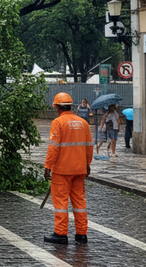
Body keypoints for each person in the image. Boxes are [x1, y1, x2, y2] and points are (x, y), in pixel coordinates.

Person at [43, 92, 93, 245]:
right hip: (79, 170)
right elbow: (89, 147)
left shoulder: (58, 123)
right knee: (79, 202)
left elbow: (53, 148)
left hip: (62, 171)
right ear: (71, 106)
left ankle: (60, 233)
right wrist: (87, 164)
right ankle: (81, 234)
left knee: (61, 203)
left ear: (57, 107)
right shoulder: (83, 123)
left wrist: (47, 167)